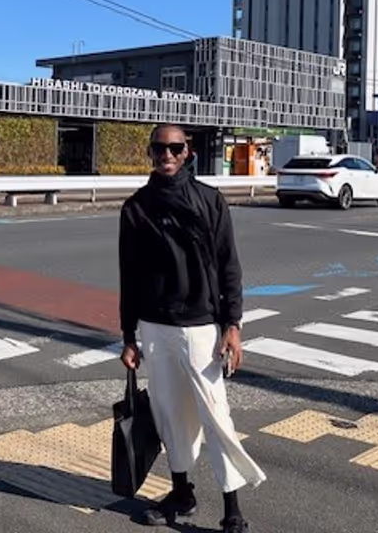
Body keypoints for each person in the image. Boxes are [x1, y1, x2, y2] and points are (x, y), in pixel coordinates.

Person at [119, 124, 265, 531]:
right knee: (169, 415)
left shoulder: (209, 200)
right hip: (154, 327)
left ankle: (232, 509)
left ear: (188, 152)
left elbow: (229, 265)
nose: (166, 154)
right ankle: (182, 494)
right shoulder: (136, 208)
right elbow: (129, 276)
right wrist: (128, 336)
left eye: (175, 148)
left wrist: (232, 324)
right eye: (159, 148)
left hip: (201, 326)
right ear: (150, 152)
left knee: (215, 415)